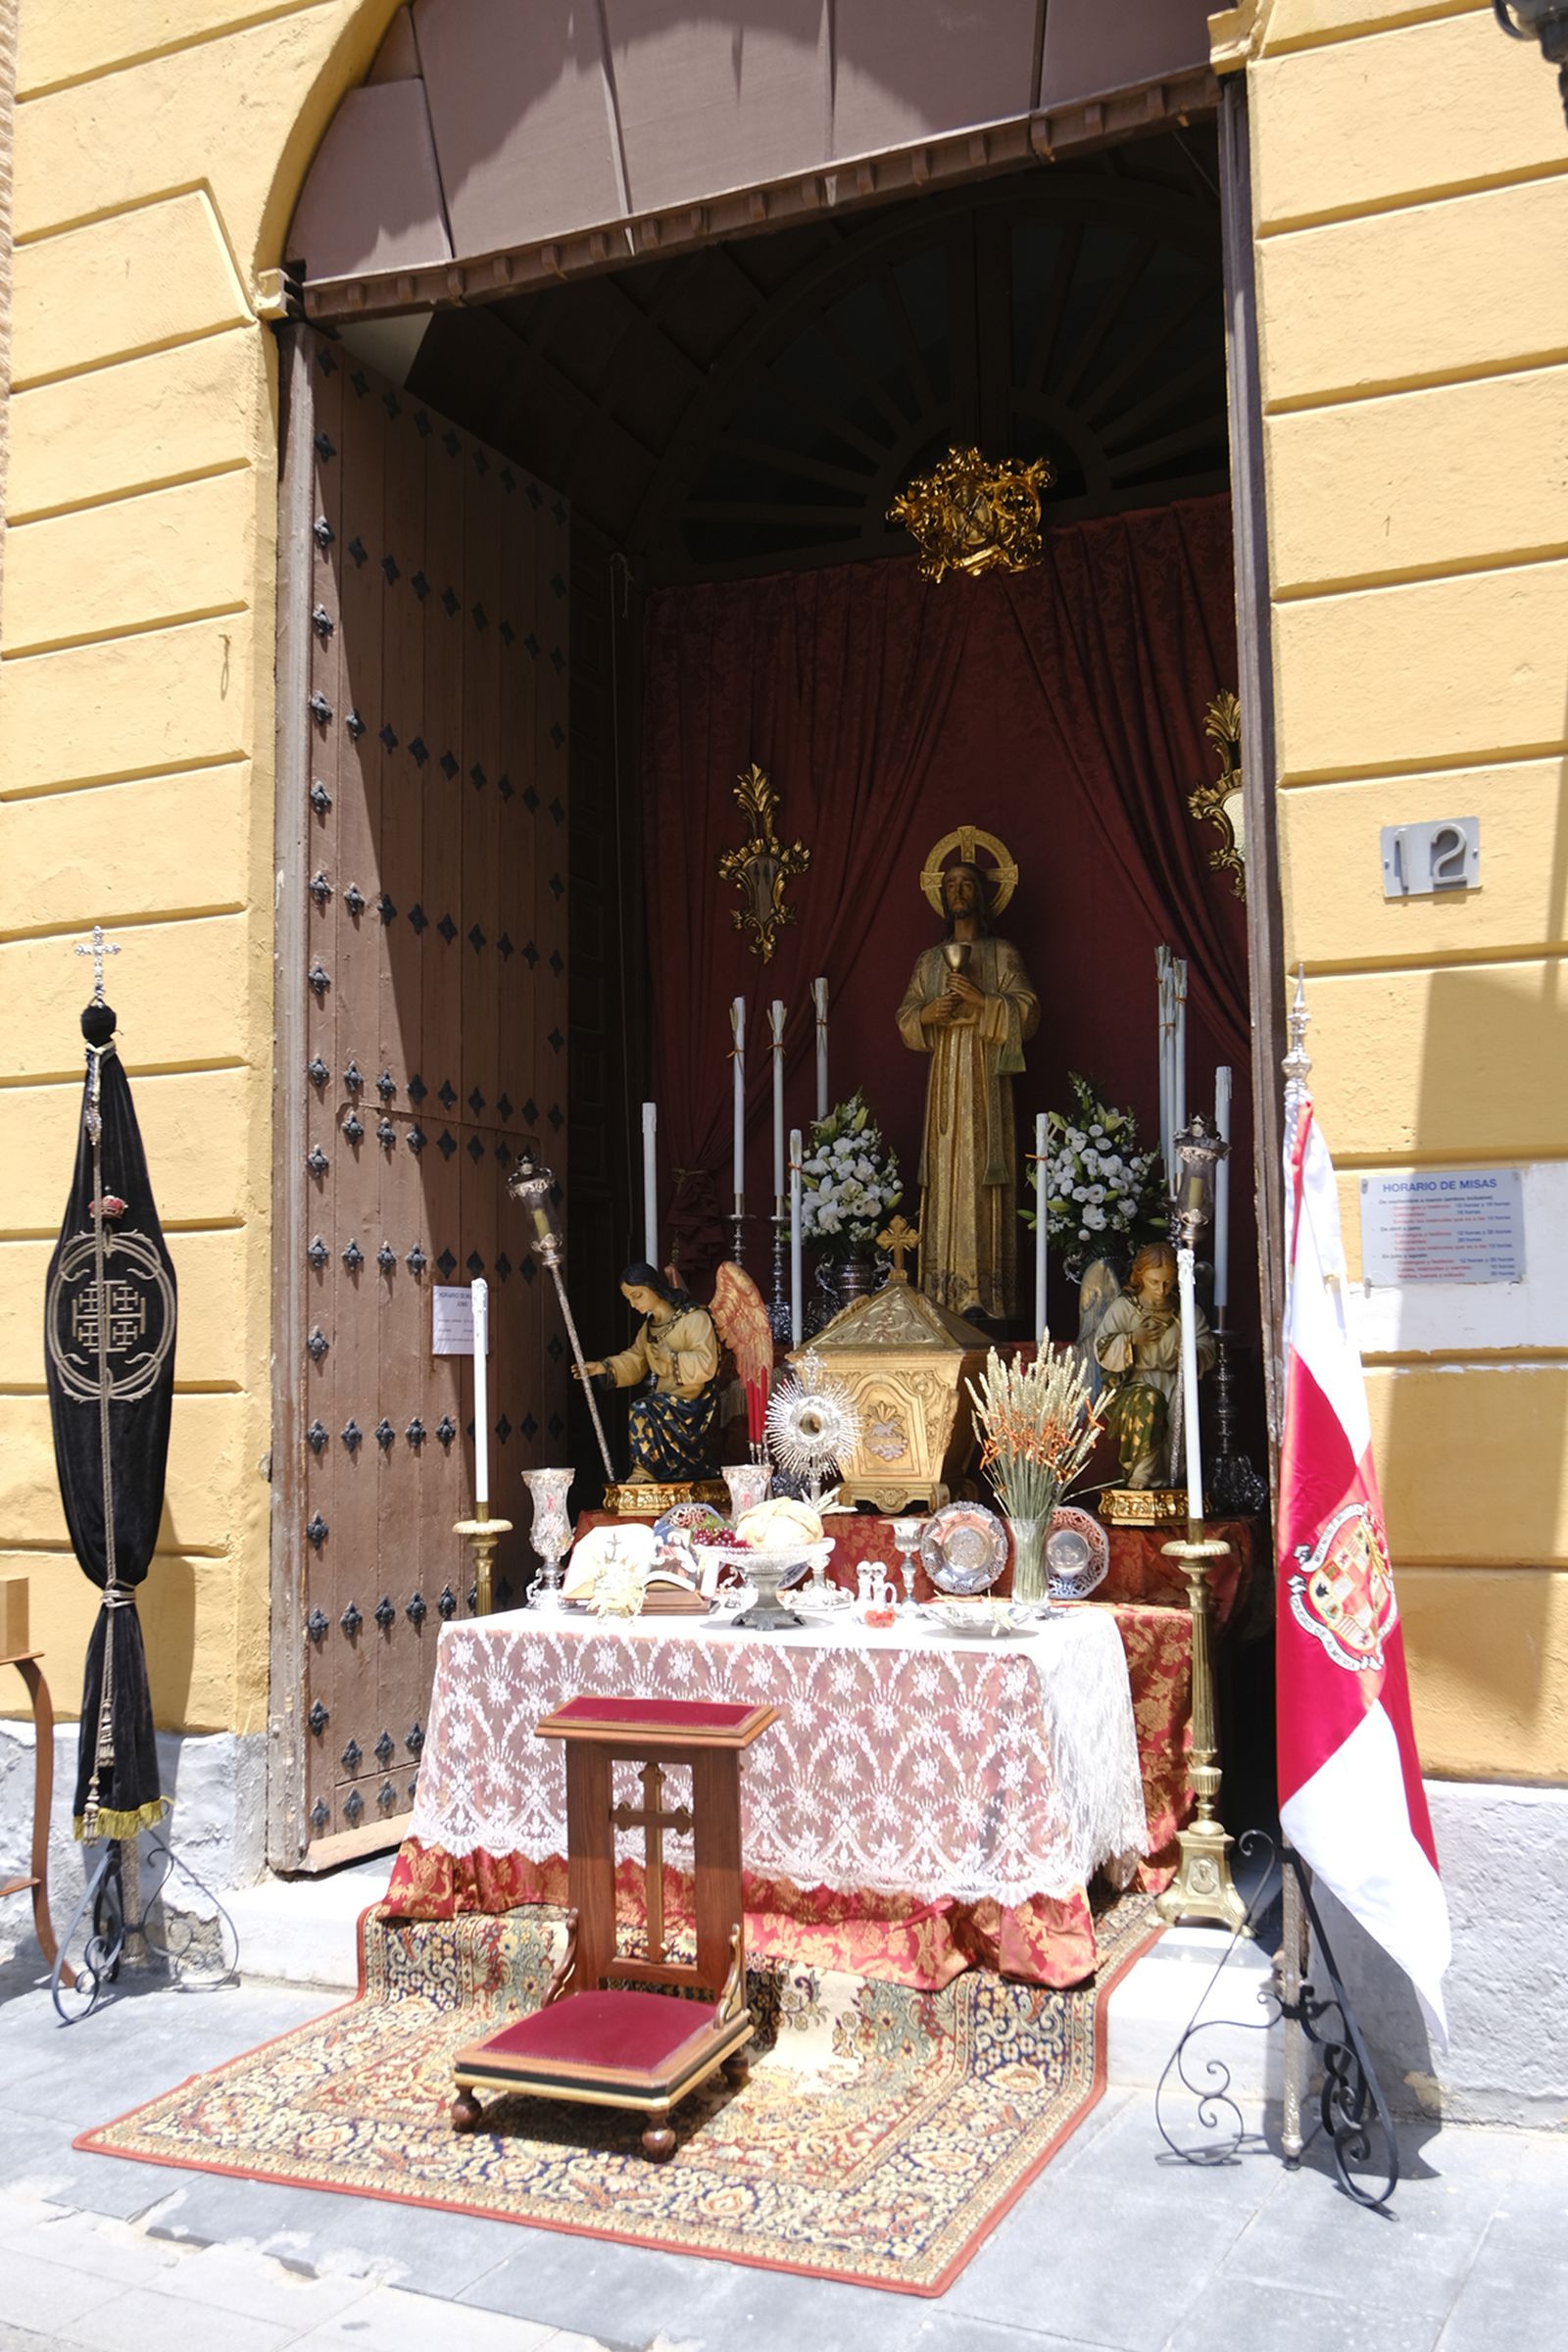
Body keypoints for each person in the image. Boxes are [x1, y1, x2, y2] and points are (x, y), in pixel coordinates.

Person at [896, 858, 1039, 1321]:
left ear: (982, 894)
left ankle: (986, 1296)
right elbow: (905, 1017)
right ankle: (942, 1294)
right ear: (942, 895)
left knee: (982, 1175)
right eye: (951, 885)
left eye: (967, 884)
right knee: (944, 1173)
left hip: (986, 1085)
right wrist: (926, 1015)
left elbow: (1029, 1012)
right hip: (944, 1087)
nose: (958, 892)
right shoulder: (929, 960)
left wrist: (984, 1003)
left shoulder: (1002, 954)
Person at [573, 1262, 721, 1483]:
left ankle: (644, 1471)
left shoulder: (694, 1319)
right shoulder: (649, 1328)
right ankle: (649, 1471)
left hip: (692, 1405)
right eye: (629, 1299)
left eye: (638, 1295)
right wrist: (601, 1367)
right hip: (665, 1403)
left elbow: (707, 1363)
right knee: (648, 1408)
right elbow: (635, 1361)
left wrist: (671, 1358)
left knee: (642, 1409)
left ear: (654, 1288)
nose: (633, 1304)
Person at [1094, 1242, 1215, 1488]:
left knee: (1175, 1434)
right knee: (1149, 1403)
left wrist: (1192, 1353)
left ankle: (1171, 1482)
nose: (1161, 1290)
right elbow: (1101, 1348)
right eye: (1153, 1282)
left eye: (1168, 1282)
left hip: (1174, 1381)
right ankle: (1141, 1472)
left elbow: (1207, 1347)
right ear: (1140, 1276)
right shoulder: (1124, 1308)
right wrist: (1131, 1339)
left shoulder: (1186, 1311)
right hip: (1135, 1384)